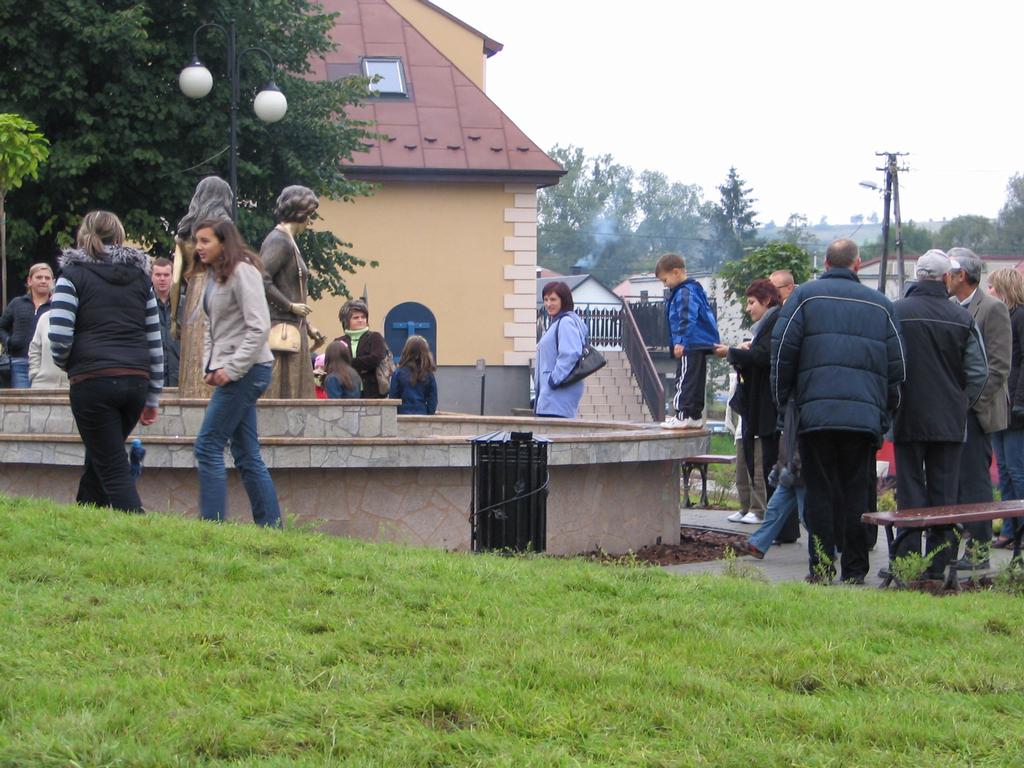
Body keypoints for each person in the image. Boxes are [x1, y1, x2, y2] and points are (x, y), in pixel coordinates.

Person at [772, 239, 906, 584]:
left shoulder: (804, 298)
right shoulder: (881, 305)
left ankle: (821, 567)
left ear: (826, 264)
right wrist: (885, 411)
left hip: (815, 414)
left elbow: (782, 353)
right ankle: (855, 569)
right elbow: (897, 368)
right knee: (857, 492)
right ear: (857, 264)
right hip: (863, 417)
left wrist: (783, 403)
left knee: (819, 491)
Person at [48, 211, 163, 513]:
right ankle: (87, 517)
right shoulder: (142, 279)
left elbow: (58, 336)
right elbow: (155, 342)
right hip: (136, 380)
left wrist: (71, 364)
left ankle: (138, 528)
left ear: (84, 234)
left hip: (92, 380)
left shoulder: (71, 275)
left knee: (111, 465)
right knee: (101, 456)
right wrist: (153, 396)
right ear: (119, 235)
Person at [891, 250, 987, 574]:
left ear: (918, 276)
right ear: (947, 278)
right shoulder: (962, 317)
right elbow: (979, 372)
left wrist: (894, 401)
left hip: (906, 414)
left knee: (908, 489)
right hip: (949, 420)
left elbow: (886, 364)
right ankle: (939, 564)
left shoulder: (896, 312)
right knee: (944, 493)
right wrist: (961, 403)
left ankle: (905, 561)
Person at [191, 219, 281, 528]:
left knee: (207, 445)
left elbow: (259, 328)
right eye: (197, 241)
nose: (198, 247)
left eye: (205, 241)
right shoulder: (215, 277)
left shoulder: (244, 272)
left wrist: (230, 369)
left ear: (223, 242)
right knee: (246, 453)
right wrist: (210, 366)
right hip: (236, 370)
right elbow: (211, 327)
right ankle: (271, 527)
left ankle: (212, 526)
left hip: (249, 370)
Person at [947, 247, 1012, 568]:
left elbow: (999, 366)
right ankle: (953, 549)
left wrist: (971, 404)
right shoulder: (949, 307)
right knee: (954, 481)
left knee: (974, 481)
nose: (943, 277)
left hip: (976, 412)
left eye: (948, 272)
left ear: (962, 275)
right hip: (952, 411)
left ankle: (978, 553)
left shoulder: (992, 308)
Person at [714, 279, 783, 528]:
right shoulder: (766, 325)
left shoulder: (776, 322)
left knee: (767, 463)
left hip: (767, 405)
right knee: (751, 460)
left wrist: (732, 353)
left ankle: (766, 514)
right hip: (757, 403)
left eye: (752, 302)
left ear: (766, 300)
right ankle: (755, 510)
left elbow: (763, 356)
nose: (748, 308)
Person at [260, 185, 326, 398]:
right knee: (284, 392)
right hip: (282, 332)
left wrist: (307, 324)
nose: (309, 221)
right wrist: (289, 307)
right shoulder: (279, 240)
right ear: (301, 213)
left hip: (294, 328)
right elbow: (261, 278)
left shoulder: (288, 241)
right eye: (310, 215)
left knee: (295, 392)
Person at [173, 176, 233, 397]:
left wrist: (173, 317)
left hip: (194, 293)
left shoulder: (184, 234)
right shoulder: (225, 230)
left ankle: (191, 392)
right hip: (219, 290)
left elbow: (174, 281)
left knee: (193, 347)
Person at [655, 252, 720, 428]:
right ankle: (694, 416)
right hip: (700, 342)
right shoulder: (695, 289)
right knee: (695, 380)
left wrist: (680, 341)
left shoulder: (683, 292)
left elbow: (686, 317)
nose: (665, 284)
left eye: (665, 280)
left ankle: (682, 415)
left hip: (689, 343)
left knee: (684, 378)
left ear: (676, 272)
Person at [986, 267, 1024, 549]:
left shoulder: (1020, 316)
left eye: (992, 287)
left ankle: (1019, 530)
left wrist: (1020, 400)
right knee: (1004, 469)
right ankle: (1010, 528)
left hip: (1015, 406)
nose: (989, 292)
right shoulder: (1004, 316)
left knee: (1016, 469)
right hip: (1000, 404)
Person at [534, 281, 588, 418]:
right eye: (546, 299)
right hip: (553, 396)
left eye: (553, 299)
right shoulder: (558, 322)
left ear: (563, 300)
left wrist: (553, 380)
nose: (548, 304)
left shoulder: (565, 322)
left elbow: (570, 354)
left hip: (556, 396)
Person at [0, 263, 54, 388]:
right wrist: (8, 341)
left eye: (47, 278)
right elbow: (1, 327)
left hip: (48, 365)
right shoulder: (17, 303)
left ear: (52, 282)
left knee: (45, 399)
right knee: (22, 400)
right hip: (19, 363)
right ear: (29, 281)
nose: (43, 281)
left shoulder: (57, 307)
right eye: (39, 277)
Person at [339, 299, 389, 398]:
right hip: (346, 391)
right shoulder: (339, 341)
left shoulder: (375, 337)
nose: (360, 320)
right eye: (355, 317)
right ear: (346, 321)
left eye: (363, 317)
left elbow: (375, 359)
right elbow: (335, 363)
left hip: (372, 392)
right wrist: (362, 365)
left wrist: (349, 363)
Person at [389, 334, 438, 414]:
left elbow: (393, 398)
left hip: (402, 414)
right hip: (422, 413)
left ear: (406, 351)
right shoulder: (428, 374)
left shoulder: (398, 373)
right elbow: (432, 400)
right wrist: (428, 413)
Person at [151, 256, 180, 387]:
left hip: (178, 376)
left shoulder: (184, 304)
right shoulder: (143, 304)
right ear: (151, 277)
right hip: (152, 377)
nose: (162, 279)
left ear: (172, 277)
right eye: (158, 275)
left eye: (166, 275)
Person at [28, 311, 69, 388]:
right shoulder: (44, 318)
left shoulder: (81, 318)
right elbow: (35, 348)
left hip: (71, 385)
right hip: (42, 384)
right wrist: (34, 372)